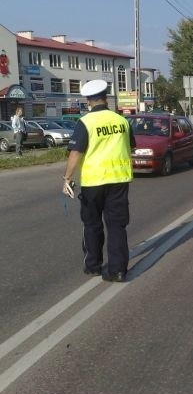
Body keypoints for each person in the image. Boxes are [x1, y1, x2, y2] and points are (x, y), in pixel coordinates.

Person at [62, 80, 136, 282]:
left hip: (93, 183)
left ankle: (93, 265)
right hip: (119, 181)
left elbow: (75, 153)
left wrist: (67, 179)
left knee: (92, 225)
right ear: (106, 97)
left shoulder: (85, 122)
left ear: (88, 100)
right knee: (117, 226)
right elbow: (131, 148)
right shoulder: (122, 121)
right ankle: (118, 270)